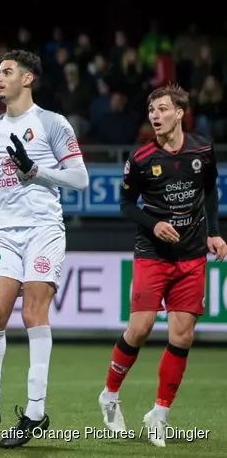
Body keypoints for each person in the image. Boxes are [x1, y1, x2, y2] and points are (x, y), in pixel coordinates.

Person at [0, 50, 89, 448]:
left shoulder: (51, 122)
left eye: (7, 72)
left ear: (27, 79)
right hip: (5, 233)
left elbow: (80, 179)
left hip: (44, 229)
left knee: (32, 314)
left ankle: (35, 412)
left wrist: (35, 171)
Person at [97, 84, 226, 447]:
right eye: (152, 109)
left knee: (182, 335)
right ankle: (109, 394)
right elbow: (125, 204)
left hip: (191, 254)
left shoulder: (202, 149)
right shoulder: (139, 159)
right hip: (152, 252)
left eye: (163, 109)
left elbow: (211, 190)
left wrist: (214, 233)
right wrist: (153, 224)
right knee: (140, 327)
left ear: (180, 113)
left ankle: (160, 413)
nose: (155, 115)